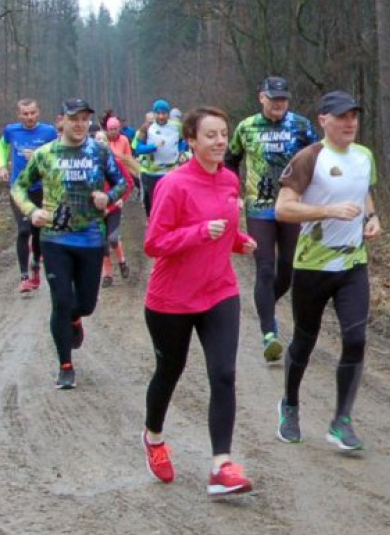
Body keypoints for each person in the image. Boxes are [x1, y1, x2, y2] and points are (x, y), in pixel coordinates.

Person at [141, 106, 258, 498]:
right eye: (210, 135)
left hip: (219, 292)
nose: (220, 141)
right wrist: (198, 233)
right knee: (169, 371)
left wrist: (239, 242)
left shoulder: (228, 180)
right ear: (190, 140)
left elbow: (226, 228)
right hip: (171, 299)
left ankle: (221, 466)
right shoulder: (173, 185)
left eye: (223, 134)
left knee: (223, 374)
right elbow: (154, 243)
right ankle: (154, 437)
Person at [273, 90, 381, 451]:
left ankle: (341, 420)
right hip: (312, 266)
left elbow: (363, 191)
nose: (350, 122)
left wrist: (372, 216)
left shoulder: (364, 156)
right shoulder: (309, 158)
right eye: (342, 116)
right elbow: (283, 209)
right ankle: (289, 404)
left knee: (355, 339)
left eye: (354, 116)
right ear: (323, 120)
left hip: (352, 264)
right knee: (305, 340)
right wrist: (328, 211)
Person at [12, 98, 127, 390]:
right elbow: (19, 186)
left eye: (85, 119)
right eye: (74, 119)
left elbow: (122, 182)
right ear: (61, 120)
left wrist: (108, 198)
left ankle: (76, 318)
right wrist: (32, 211)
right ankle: (65, 366)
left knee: (85, 304)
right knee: (60, 301)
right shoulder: (45, 154)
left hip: (90, 237)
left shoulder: (99, 151)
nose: (79, 125)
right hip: (55, 239)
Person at [225, 76, 319, 363]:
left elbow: (319, 158)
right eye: (273, 98)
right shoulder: (246, 127)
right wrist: (233, 192)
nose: (279, 104)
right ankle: (269, 334)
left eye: (283, 99)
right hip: (259, 208)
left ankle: (266, 303)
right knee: (265, 268)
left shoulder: (301, 126)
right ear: (261, 98)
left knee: (288, 269)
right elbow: (230, 160)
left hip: (292, 206)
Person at [0, 99, 58, 293]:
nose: (29, 117)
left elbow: (58, 156)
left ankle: (36, 267)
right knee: (24, 230)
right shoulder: (11, 131)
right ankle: (24, 276)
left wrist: (39, 156)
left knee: (38, 230)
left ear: (38, 112)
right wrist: (2, 166)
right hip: (19, 189)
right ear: (19, 115)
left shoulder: (49, 132)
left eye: (32, 113)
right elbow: (2, 146)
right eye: (25, 114)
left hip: (41, 188)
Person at [98, 117, 138, 287]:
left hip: (113, 207)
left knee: (113, 238)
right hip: (96, 210)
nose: (100, 143)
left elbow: (129, 183)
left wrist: (120, 199)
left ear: (107, 143)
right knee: (102, 242)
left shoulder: (115, 162)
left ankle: (122, 261)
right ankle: (107, 274)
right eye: (96, 140)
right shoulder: (88, 164)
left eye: (102, 141)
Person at [134, 99, 186, 217]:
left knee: (171, 204)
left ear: (168, 113)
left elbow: (183, 141)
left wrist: (182, 152)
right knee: (155, 206)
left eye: (164, 113)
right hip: (152, 173)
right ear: (154, 113)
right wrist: (153, 146)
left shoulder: (177, 127)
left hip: (171, 171)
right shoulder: (147, 128)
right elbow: (138, 148)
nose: (161, 116)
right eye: (158, 113)